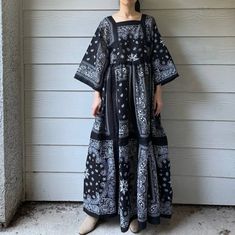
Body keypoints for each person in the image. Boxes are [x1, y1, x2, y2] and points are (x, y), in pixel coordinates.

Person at [74, 0, 179, 234]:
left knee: (138, 149)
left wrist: (158, 95)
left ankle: (136, 212)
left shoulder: (148, 23)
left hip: (142, 101)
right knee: (106, 148)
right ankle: (95, 212)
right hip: (113, 98)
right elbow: (96, 63)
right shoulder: (106, 25)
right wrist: (96, 96)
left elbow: (158, 61)